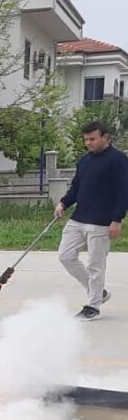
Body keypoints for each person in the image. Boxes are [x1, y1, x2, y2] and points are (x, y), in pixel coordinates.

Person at [55, 121, 128, 321]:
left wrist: (117, 220)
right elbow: (76, 188)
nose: (88, 142)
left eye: (92, 139)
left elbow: (124, 192)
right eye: (86, 139)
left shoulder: (119, 160)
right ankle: (99, 292)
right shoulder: (84, 161)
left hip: (102, 222)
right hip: (78, 218)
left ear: (106, 138)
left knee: (96, 264)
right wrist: (63, 203)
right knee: (65, 256)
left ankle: (93, 306)